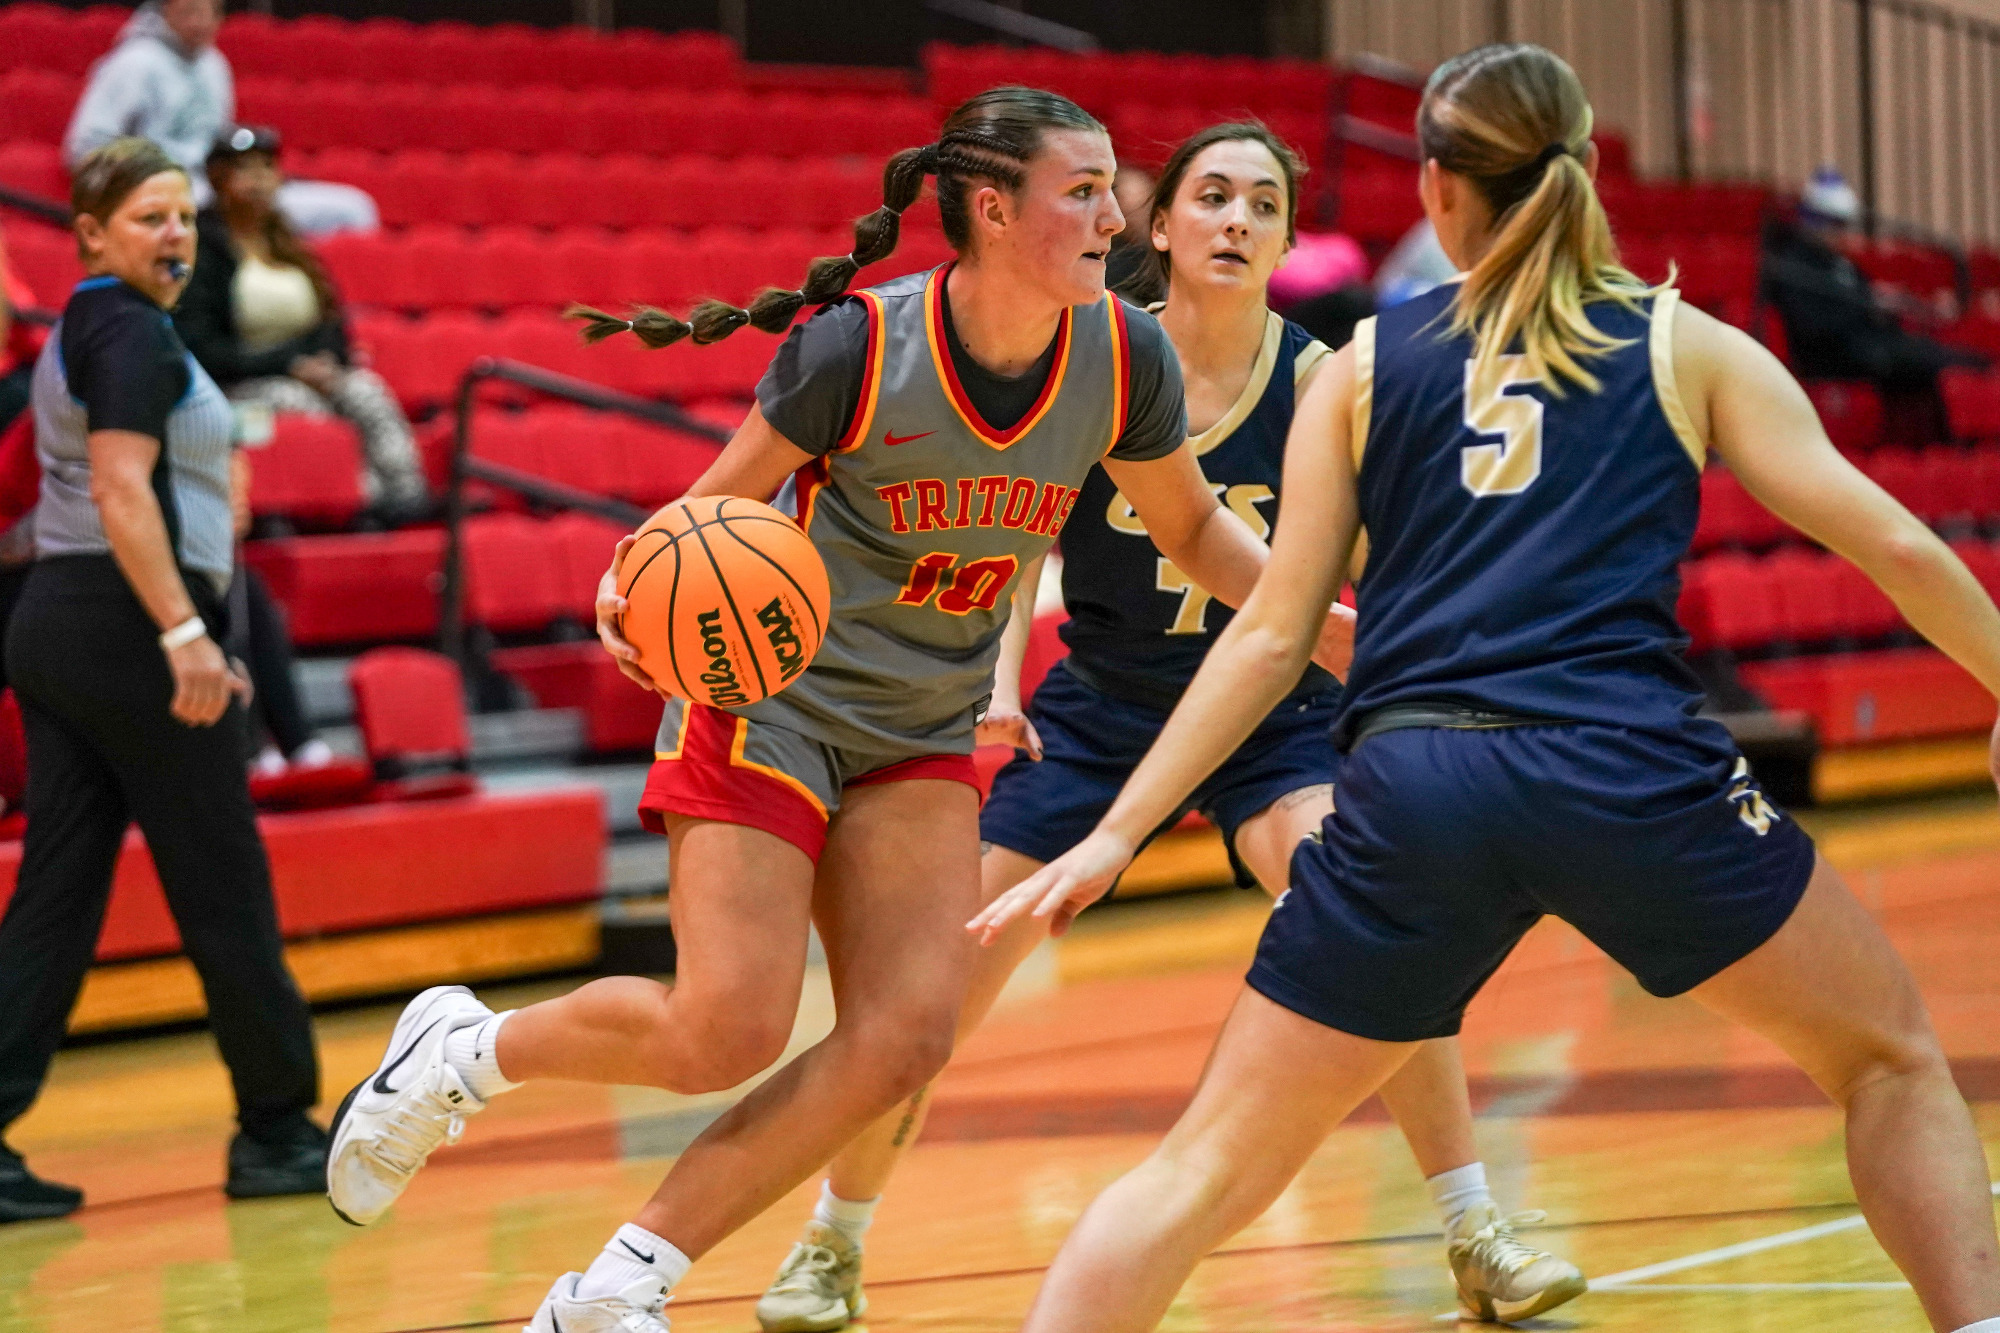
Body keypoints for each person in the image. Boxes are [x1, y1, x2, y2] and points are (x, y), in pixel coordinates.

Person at [976, 45, 2000, 1333]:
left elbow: (1270, 632)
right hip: (1622, 766)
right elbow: (1898, 545)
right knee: (1890, 1058)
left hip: (1415, 784)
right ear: (1571, 174)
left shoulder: (1354, 368)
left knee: (1201, 1169)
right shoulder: (1678, 340)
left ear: (1436, 190)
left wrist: (1118, 828)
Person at [322, 88, 1353, 1333]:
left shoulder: (1117, 355)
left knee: (905, 1037)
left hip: (918, 729)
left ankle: (616, 1288)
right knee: (725, 1027)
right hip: (774, 699)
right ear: (991, 207)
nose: (1110, 214)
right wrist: (627, 585)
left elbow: (1190, 527)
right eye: (1080, 190)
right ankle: (464, 1054)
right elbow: (708, 516)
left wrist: (1339, 629)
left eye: (1108, 188)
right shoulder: (860, 348)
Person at [753, 121, 1580, 1333]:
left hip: (1277, 715)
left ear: (1291, 237)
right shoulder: (1093, 354)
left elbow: (1373, 564)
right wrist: (997, 682)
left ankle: (1475, 1226)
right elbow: (1016, 522)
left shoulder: (1324, 383)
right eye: (1210, 197)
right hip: (1107, 709)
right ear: (1160, 226)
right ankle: (830, 1241)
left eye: (1262, 202)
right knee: (941, 973)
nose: (1236, 219)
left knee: (1359, 907)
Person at [0, 138, 326, 1224]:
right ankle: (279, 1127)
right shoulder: (130, 330)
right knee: (221, 878)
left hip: (68, 618)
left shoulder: (89, 329)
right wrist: (185, 631)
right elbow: (120, 489)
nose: (176, 234)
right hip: (124, 623)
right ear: (90, 234)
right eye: (149, 217)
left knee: (57, 889)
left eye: (183, 215)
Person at [177, 127, 427, 524]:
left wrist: (328, 362)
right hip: (233, 385)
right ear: (218, 178)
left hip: (301, 369)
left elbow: (329, 319)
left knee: (365, 392)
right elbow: (202, 347)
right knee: (304, 408)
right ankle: (353, 504)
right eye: (245, 169)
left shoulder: (286, 241)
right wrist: (289, 363)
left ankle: (406, 500)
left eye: (267, 168)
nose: (259, 179)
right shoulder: (199, 249)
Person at [66, 1, 377, 236]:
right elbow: (86, 148)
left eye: (210, 12)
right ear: (166, 11)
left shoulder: (215, 64)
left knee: (354, 209)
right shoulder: (132, 62)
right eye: (190, 11)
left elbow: (219, 141)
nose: (200, 21)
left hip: (217, 184)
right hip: (163, 191)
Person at [1762, 165, 1986, 396]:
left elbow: (1865, 295)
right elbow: (1813, 323)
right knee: (1938, 361)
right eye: (1837, 224)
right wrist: (1869, 307)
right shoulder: (1794, 262)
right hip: (1841, 353)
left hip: (1872, 341)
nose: (1843, 232)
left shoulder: (1837, 261)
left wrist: (1889, 303)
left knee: (1958, 358)